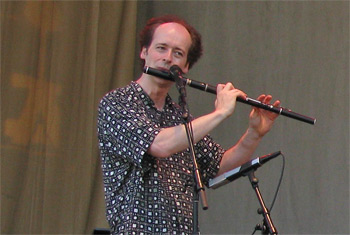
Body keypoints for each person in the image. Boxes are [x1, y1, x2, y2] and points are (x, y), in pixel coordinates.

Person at [97, 15, 280, 234]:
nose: (168, 58)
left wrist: (254, 134)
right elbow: (159, 145)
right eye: (161, 48)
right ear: (144, 52)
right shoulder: (117, 104)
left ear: (186, 66)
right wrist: (221, 112)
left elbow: (219, 165)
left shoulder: (178, 114)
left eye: (178, 53)